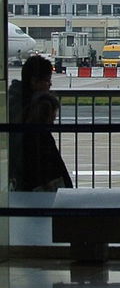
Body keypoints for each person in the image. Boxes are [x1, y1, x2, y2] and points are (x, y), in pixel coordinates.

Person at [9, 54, 71, 192]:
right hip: (34, 182)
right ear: (35, 82)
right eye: (47, 80)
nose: (50, 84)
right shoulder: (37, 112)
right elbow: (43, 157)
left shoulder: (13, 104)